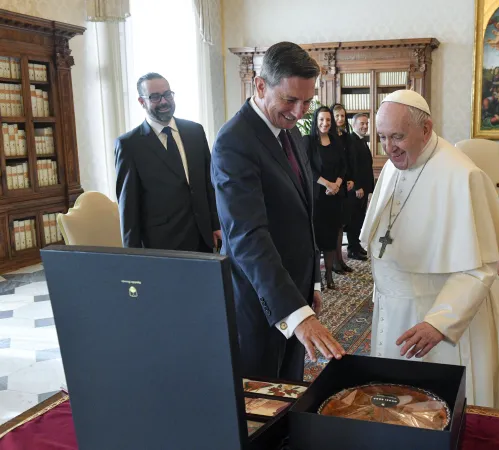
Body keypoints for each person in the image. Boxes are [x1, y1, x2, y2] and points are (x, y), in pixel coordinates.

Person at [361, 90, 499, 408]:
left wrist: (439, 322)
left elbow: (480, 266)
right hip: (395, 306)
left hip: (439, 314)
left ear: (426, 129)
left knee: (443, 403)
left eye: (397, 137)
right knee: (399, 397)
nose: (389, 148)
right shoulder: (395, 165)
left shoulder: (462, 175)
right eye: (382, 137)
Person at [211, 42, 345, 381]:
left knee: (289, 390)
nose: (300, 112)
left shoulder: (291, 132)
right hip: (259, 301)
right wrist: (296, 313)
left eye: (308, 101)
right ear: (260, 85)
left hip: (294, 292)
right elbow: (248, 237)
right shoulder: (234, 142)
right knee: (260, 399)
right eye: (289, 100)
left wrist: (311, 281)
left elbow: (302, 217)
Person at [115, 72, 220, 252]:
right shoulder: (129, 145)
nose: (163, 101)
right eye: (155, 97)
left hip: (204, 237)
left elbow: (209, 184)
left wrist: (216, 224)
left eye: (167, 94)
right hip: (161, 245)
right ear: (142, 102)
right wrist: (131, 256)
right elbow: (129, 208)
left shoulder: (195, 131)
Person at [304, 106, 346, 289]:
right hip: (317, 198)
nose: (325, 123)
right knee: (316, 241)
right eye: (322, 119)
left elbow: (343, 166)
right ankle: (316, 281)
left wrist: (336, 183)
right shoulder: (308, 141)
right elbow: (308, 169)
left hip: (334, 198)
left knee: (331, 239)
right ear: (316, 120)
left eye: (328, 120)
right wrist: (327, 184)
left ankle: (329, 277)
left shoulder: (336, 142)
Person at [331, 103, 354, 274]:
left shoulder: (347, 137)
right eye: (337, 116)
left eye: (342, 116)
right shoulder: (327, 136)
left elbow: (348, 162)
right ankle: (334, 262)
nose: (340, 119)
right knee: (332, 227)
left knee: (340, 225)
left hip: (344, 184)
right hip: (330, 187)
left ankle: (340, 259)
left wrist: (350, 179)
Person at [347, 113, 374, 260]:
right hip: (357, 190)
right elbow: (352, 167)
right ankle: (352, 249)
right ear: (354, 125)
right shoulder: (351, 141)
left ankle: (356, 246)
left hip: (363, 189)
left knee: (359, 219)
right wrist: (357, 186)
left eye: (366, 123)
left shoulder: (362, 141)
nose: (365, 126)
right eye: (362, 123)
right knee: (354, 220)